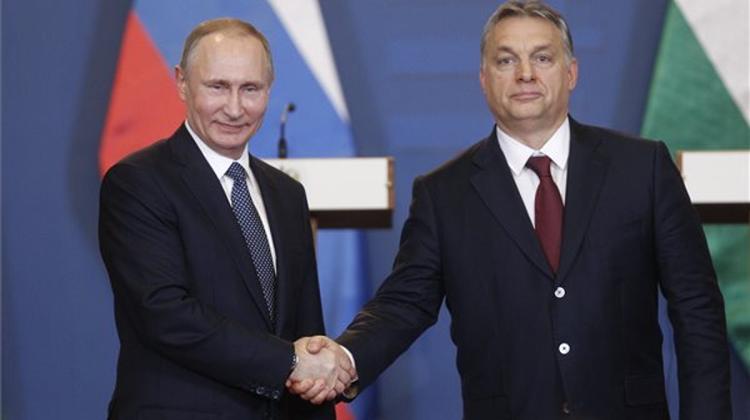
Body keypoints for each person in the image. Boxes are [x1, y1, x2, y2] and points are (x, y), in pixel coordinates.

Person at [292, 1, 732, 419]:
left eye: (542, 58)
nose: (525, 74)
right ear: (484, 79)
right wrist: (345, 356)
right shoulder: (443, 195)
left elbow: (697, 309)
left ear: (571, 72)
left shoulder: (642, 168)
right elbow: (404, 304)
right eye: (506, 60)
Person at [98, 18, 354, 420]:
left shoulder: (287, 194)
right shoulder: (139, 182)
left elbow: (306, 328)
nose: (235, 108)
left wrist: (319, 374)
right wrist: (289, 362)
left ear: (269, 89)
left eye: (250, 88)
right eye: (217, 87)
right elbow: (165, 314)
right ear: (182, 83)